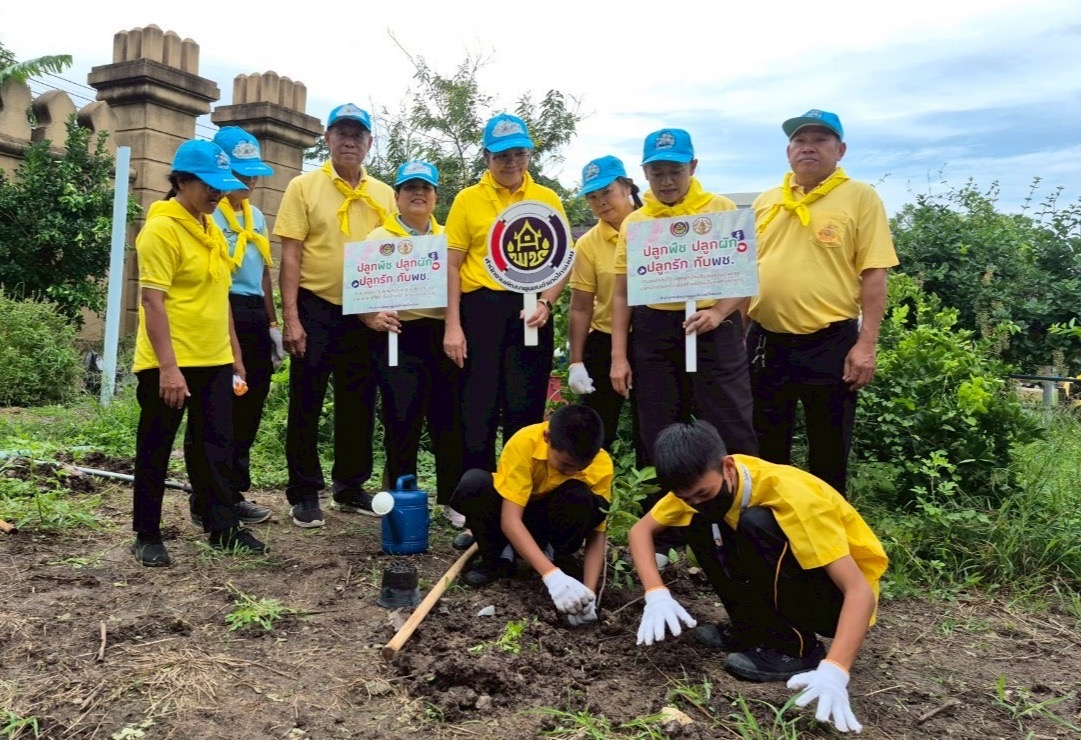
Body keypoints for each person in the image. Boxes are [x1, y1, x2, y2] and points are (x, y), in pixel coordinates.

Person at [629, 420, 887, 734]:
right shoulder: (699, 486)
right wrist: (656, 593)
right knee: (700, 522)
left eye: (703, 493)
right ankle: (751, 631)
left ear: (727, 467)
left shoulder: (794, 497)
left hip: (837, 602)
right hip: (800, 583)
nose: (696, 500)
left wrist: (836, 670)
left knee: (756, 523)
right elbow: (640, 531)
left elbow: (859, 591)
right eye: (687, 497)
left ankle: (798, 648)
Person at [131, 139, 268, 566]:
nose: (217, 193)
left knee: (215, 446)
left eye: (221, 186)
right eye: (208, 185)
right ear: (182, 181)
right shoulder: (161, 230)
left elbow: (220, 295)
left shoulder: (208, 227)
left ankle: (221, 526)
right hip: (169, 362)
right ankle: (147, 533)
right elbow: (153, 302)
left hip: (214, 358)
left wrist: (235, 354)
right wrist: (169, 369)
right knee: (156, 446)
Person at [748, 109, 899, 496]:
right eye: (800, 140)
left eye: (820, 140)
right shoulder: (766, 201)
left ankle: (829, 537)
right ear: (788, 151)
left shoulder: (860, 197)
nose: (808, 148)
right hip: (766, 342)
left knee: (829, 447)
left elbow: (874, 274)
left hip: (830, 342)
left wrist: (866, 345)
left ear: (840, 149)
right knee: (766, 445)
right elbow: (742, 271)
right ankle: (771, 532)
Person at [443, 113, 571, 549]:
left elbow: (561, 261)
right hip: (480, 310)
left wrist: (546, 302)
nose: (511, 161)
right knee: (476, 412)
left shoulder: (546, 197)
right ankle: (476, 514)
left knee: (525, 413)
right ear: (486, 156)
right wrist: (453, 325)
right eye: (502, 154)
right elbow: (454, 266)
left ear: (529, 153)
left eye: (519, 152)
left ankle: (524, 509)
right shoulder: (467, 200)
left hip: (531, 313)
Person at [274, 104, 396, 527]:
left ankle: (350, 484)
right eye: (341, 133)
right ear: (326, 138)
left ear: (369, 143)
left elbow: (396, 252)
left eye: (358, 135)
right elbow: (290, 254)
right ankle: (305, 491)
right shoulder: (303, 187)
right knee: (307, 400)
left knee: (359, 400)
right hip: (316, 306)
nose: (349, 141)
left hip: (366, 314)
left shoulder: (384, 193)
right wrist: (291, 317)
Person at [610, 128, 758, 465]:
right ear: (644, 173)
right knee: (658, 424)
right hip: (655, 329)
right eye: (656, 173)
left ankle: (738, 507)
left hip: (713, 326)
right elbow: (622, 294)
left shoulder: (721, 209)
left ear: (692, 167)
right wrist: (619, 356)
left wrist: (720, 312)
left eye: (675, 171)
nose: (666, 181)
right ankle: (666, 511)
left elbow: (744, 273)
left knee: (729, 420)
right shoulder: (636, 222)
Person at [183, 126, 281, 529]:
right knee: (216, 410)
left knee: (250, 406)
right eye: (240, 173)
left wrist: (273, 321)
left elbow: (263, 271)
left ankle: (233, 490)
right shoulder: (210, 215)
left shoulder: (255, 215)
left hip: (255, 313)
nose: (249, 181)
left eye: (252, 173)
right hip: (222, 311)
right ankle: (204, 494)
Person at [360, 160, 464, 527]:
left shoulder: (450, 237)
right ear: (397, 196)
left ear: (436, 195)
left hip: (442, 336)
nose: (418, 194)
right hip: (397, 337)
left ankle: (452, 499)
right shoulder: (377, 239)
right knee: (401, 418)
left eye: (425, 188)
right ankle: (402, 497)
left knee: (447, 419)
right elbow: (360, 293)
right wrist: (370, 318)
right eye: (410, 188)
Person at [448, 404, 612, 625]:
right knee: (474, 485)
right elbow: (510, 520)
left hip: (551, 524)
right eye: (565, 465)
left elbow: (597, 533)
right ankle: (499, 558)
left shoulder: (601, 464)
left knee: (582, 497)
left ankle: (554, 557)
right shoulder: (524, 442)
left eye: (580, 467)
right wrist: (551, 577)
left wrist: (589, 594)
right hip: (513, 520)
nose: (572, 472)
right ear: (547, 437)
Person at [567, 156, 643, 463]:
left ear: (626, 187)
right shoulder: (587, 243)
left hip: (653, 339)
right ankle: (592, 496)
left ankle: (654, 504)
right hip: (606, 338)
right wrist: (576, 362)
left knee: (652, 423)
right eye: (592, 197)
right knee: (596, 428)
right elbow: (581, 306)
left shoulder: (655, 225)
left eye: (606, 192)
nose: (600, 202)